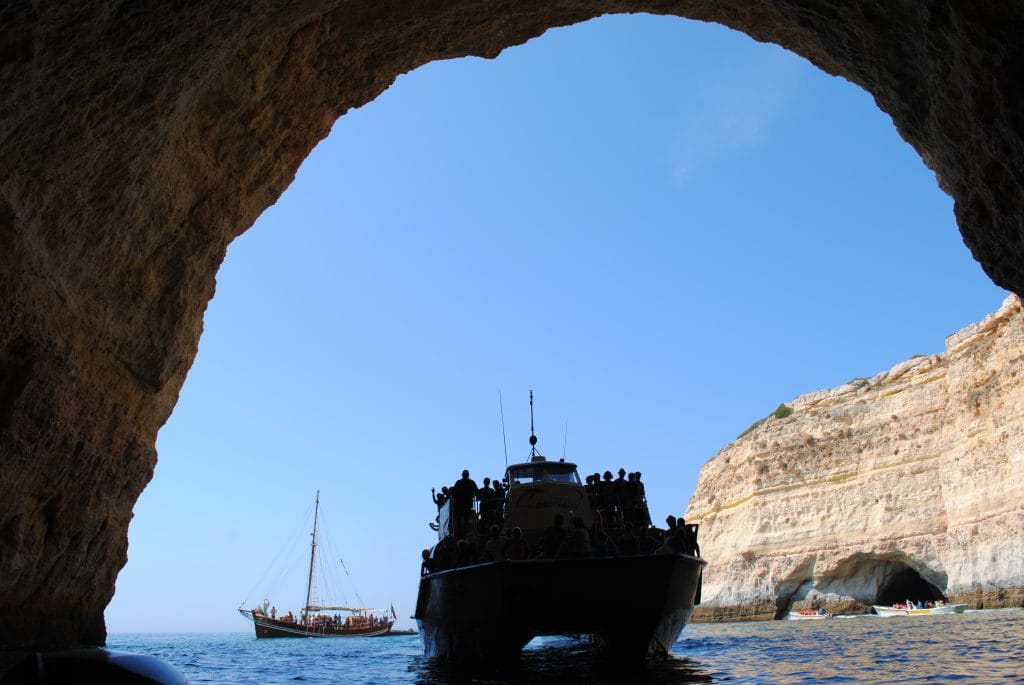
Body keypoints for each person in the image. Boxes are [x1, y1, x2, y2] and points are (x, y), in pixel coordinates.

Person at [450, 469, 479, 537]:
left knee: (465, 518)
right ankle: (461, 531)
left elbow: (476, 491)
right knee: (461, 519)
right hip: (460, 504)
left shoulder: (469, 482)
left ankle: (464, 531)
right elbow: (454, 492)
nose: (465, 476)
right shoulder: (461, 482)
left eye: (466, 475)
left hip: (466, 504)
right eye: (465, 475)